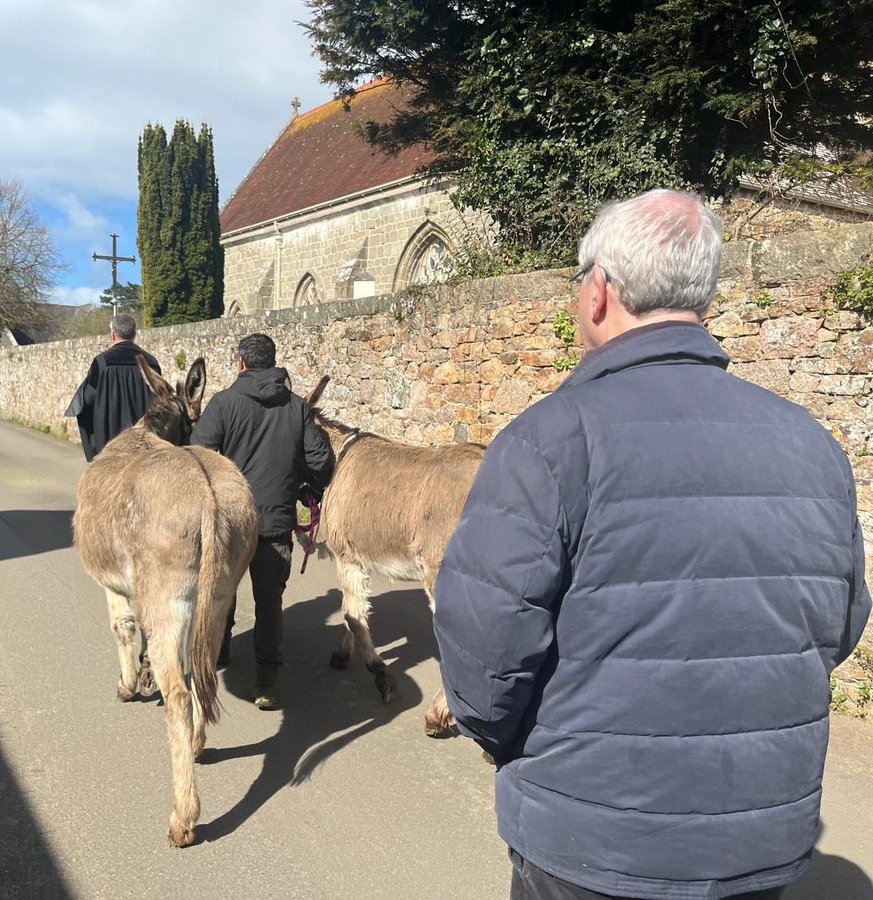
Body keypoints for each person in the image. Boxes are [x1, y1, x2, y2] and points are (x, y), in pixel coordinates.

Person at [433, 189, 871, 900]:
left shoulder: (547, 440)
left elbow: (482, 645)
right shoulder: (812, 445)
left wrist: (523, 749)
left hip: (591, 846)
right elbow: (841, 624)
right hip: (758, 841)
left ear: (599, 291)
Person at [191, 333, 334, 710]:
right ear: (274, 363)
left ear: (240, 363)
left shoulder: (222, 404)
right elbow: (322, 462)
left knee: (223, 590)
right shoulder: (297, 408)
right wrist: (304, 486)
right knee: (270, 601)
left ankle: (221, 653)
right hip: (275, 521)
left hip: (231, 523)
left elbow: (197, 458)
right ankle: (266, 681)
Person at [67, 314, 161, 462]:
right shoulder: (151, 362)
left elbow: (87, 400)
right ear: (134, 334)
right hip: (144, 445)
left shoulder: (102, 362)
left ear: (113, 334)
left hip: (111, 442)